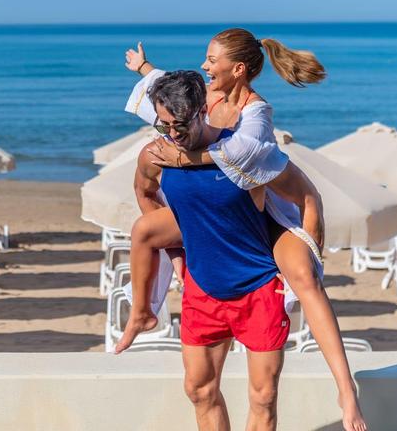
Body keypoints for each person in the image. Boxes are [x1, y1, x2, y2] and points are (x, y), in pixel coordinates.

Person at [118, 29, 366, 431]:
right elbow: (167, 95)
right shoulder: (198, 100)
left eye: (212, 59)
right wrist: (144, 68)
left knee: (303, 279)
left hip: (266, 214)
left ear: (237, 69)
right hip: (208, 227)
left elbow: (239, 153)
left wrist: (183, 160)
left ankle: (345, 388)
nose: (204, 64)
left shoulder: (256, 114)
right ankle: (142, 313)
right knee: (144, 230)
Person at [137, 70, 326, 431]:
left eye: (180, 125)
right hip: (202, 291)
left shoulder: (242, 154)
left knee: (264, 397)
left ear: (201, 111)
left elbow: (303, 193)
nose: (173, 135)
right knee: (198, 389)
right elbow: (144, 192)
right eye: (164, 126)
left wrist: (311, 249)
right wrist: (177, 253)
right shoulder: (158, 154)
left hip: (258, 289)